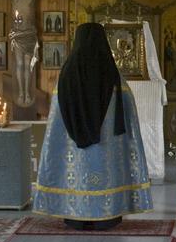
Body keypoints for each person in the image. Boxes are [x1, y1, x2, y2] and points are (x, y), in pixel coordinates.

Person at [33, 22, 153, 230]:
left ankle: (75, 217)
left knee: (75, 174)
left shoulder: (67, 74)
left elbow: (56, 119)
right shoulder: (113, 74)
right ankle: (106, 217)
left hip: (73, 149)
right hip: (107, 148)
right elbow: (128, 113)